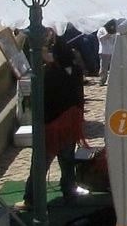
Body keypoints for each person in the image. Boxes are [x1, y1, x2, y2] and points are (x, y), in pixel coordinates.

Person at [24, 41, 84, 206]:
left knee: (40, 165)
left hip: (52, 126)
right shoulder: (76, 71)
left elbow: (42, 100)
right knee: (67, 163)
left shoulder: (50, 74)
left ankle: (31, 199)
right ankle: (69, 194)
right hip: (70, 125)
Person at [96, 19, 118, 87]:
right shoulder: (101, 29)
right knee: (104, 68)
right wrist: (108, 34)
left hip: (112, 51)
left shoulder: (115, 30)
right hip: (104, 51)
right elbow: (101, 39)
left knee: (114, 67)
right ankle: (102, 80)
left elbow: (115, 40)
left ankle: (114, 80)